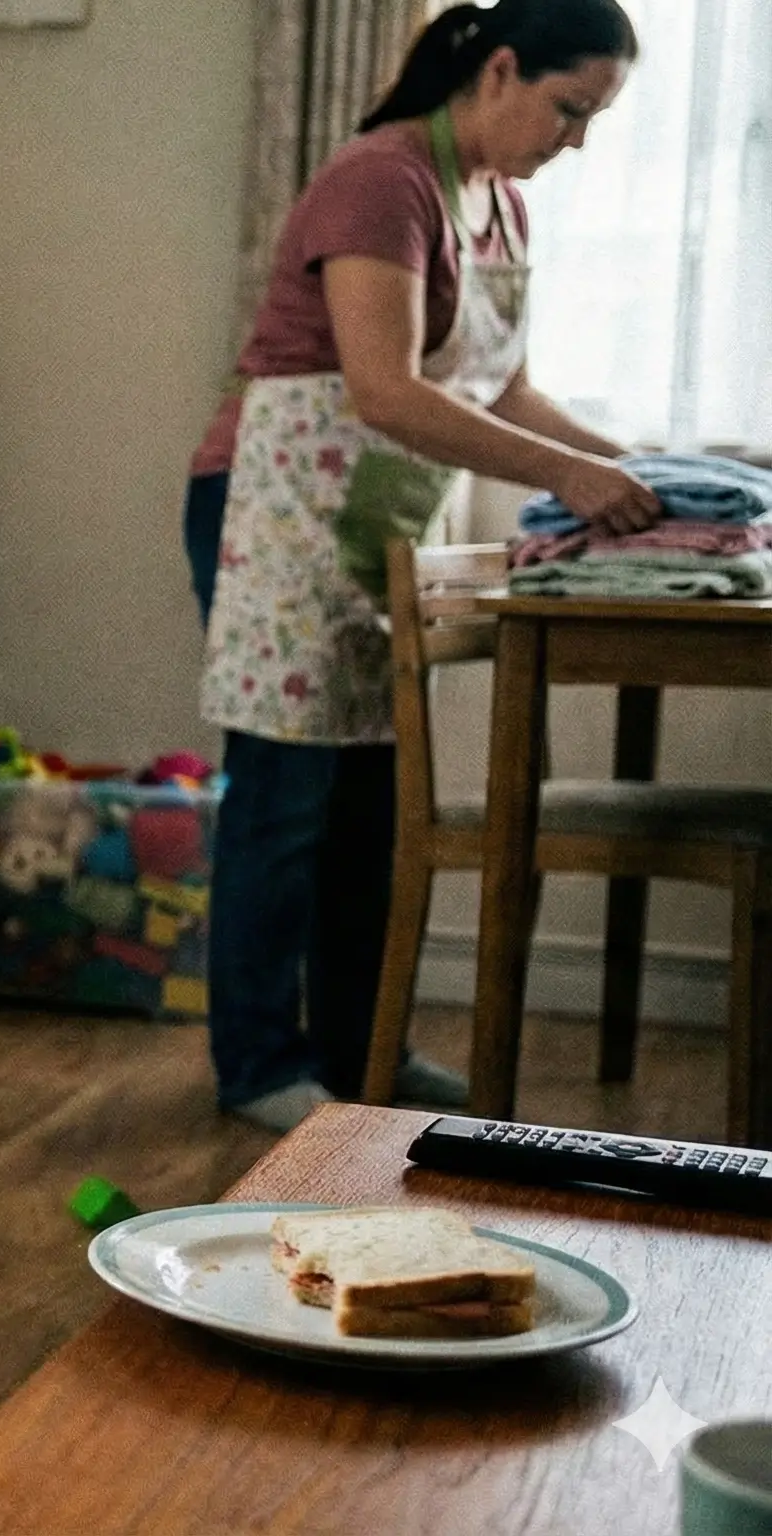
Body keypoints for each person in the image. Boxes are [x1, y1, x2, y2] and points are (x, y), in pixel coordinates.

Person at [184, 0, 651, 1132]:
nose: (572, 142)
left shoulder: (499, 209)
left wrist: (631, 465)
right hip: (274, 516)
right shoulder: (379, 180)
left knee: (371, 814)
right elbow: (382, 388)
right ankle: (257, 1067)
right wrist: (568, 480)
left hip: (377, 529)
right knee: (282, 804)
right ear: (497, 69)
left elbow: (502, 389)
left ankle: (362, 1050)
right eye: (566, 110)